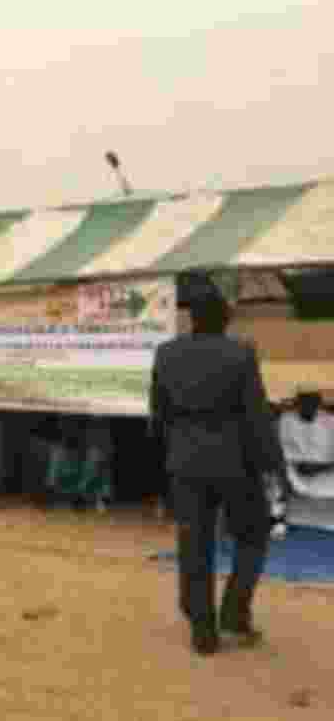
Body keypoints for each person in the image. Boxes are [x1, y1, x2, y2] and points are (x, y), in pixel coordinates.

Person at [150, 274, 280, 655]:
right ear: (225, 320)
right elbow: (255, 415)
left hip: (185, 462)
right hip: (235, 463)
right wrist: (271, 463)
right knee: (253, 536)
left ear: (193, 319)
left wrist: (171, 455)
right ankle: (235, 613)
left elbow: (158, 414)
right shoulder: (241, 353)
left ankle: (202, 630)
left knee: (194, 545)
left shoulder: (166, 353)